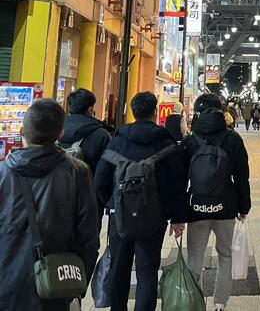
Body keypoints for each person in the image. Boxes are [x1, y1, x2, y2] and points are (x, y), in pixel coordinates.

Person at [0, 98, 99, 311]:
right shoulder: (77, 172)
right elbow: (89, 236)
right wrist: (78, 282)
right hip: (56, 283)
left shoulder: (2, 173)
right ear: (60, 134)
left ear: (21, 131)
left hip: (6, 283)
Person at [95, 92, 186, 311]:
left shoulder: (118, 140)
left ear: (133, 112)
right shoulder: (166, 141)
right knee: (147, 271)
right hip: (154, 216)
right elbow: (178, 182)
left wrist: (112, 204)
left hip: (121, 216)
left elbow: (100, 179)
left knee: (119, 268)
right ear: (155, 113)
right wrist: (176, 217)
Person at [182, 93, 251, 311]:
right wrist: (243, 206)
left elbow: (180, 178)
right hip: (226, 205)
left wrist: (178, 213)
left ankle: (196, 302)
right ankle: (220, 303)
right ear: (221, 111)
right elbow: (242, 174)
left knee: (195, 258)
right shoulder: (232, 138)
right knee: (226, 255)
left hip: (197, 206)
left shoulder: (190, 140)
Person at [59, 88, 111, 176]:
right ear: (90, 110)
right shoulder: (101, 135)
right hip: (88, 185)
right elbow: (105, 170)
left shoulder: (55, 129)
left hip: (59, 186)